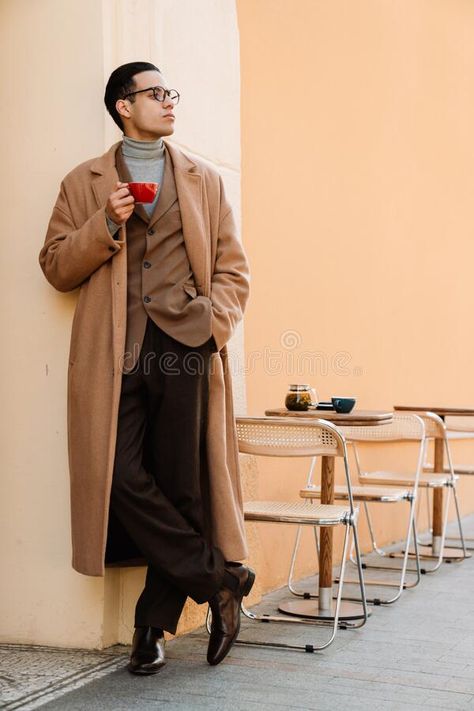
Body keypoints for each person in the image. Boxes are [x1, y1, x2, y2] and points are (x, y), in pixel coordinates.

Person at [39, 61, 253, 674]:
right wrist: (105, 223)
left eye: (170, 92)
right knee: (120, 475)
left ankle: (149, 632)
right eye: (154, 93)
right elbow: (55, 266)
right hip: (116, 353)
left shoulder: (203, 179)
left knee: (181, 484)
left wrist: (213, 322)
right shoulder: (84, 181)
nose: (168, 101)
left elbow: (235, 269)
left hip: (183, 348)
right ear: (123, 106)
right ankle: (220, 580)